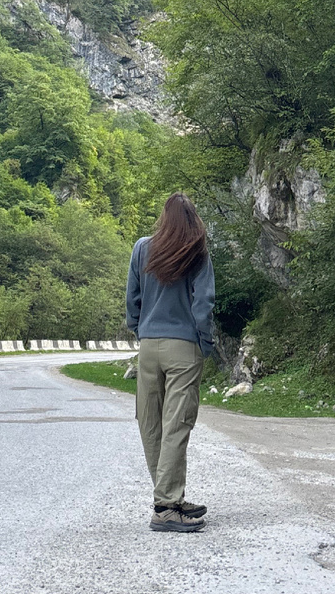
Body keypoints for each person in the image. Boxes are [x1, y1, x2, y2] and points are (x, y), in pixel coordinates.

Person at [126, 192, 215, 533]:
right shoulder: (197, 250)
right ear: (192, 218)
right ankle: (165, 505)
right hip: (184, 347)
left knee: (151, 423)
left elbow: (132, 298)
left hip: (148, 346)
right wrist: (204, 343)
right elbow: (203, 302)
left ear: (164, 217)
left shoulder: (142, 247)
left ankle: (170, 498)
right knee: (177, 423)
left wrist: (140, 329)